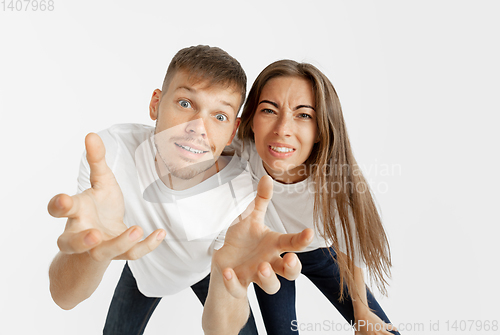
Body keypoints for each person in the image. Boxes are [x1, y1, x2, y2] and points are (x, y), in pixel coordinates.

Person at [47, 46, 311, 335]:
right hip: (143, 262)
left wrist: (226, 280)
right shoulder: (110, 156)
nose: (198, 127)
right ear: (155, 104)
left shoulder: (244, 195)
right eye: (185, 103)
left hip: (205, 264)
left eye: (219, 116)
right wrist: (91, 253)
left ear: (233, 131)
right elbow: (64, 297)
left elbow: (219, 330)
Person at [233, 59, 401, 334]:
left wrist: (361, 311)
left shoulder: (334, 184)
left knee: (379, 328)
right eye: (268, 110)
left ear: (321, 131)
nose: (282, 129)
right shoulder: (242, 150)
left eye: (303, 115)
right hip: (271, 252)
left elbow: (352, 248)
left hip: (320, 253)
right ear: (251, 120)